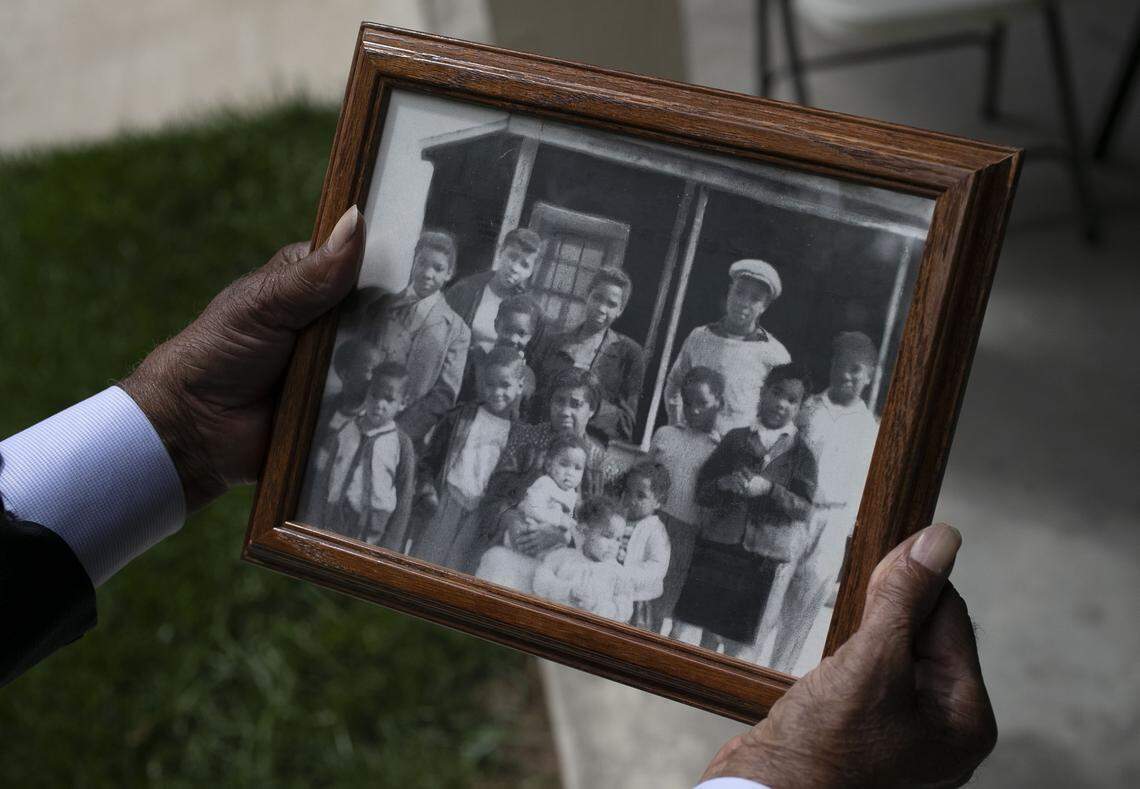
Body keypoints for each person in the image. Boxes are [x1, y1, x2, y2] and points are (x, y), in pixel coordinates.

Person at [2, 207, 997, 788]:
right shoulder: (530, 342)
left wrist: (173, 425)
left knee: (714, 584)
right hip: (549, 476)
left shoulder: (761, 372)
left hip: (723, 503)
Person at [673, 363, 817, 660]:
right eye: (776, 393)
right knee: (691, 630)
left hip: (760, 558)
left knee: (737, 644)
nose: (781, 403)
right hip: (717, 547)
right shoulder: (736, 439)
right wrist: (725, 483)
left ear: (800, 408)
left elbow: (804, 508)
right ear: (762, 392)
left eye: (792, 400)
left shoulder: (801, 453)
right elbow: (703, 490)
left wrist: (770, 490)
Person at [769, 331, 881, 673]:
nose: (848, 375)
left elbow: (867, 485)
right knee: (768, 601)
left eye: (857, 370)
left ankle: (777, 676)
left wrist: (851, 535)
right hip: (790, 512)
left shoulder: (870, 427)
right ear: (832, 365)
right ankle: (744, 667)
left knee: (804, 607)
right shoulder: (808, 410)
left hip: (834, 521)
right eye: (843, 365)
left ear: (870, 376)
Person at [408, 346, 527, 569]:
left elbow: (512, 483)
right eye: (490, 384)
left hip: (480, 512)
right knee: (425, 561)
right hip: (448, 499)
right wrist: (427, 489)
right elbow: (430, 458)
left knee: (458, 568)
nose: (496, 392)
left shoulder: (519, 435)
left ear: (520, 386)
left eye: (505, 385)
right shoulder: (461, 417)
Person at [362, 229, 470, 443]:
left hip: (405, 433)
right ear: (414, 262)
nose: (427, 273)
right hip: (363, 415)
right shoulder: (381, 306)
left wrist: (399, 433)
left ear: (450, 273)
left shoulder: (457, 331)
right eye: (422, 263)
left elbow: (444, 394)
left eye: (438, 268)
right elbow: (361, 361)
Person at [664, 259, 791, 434]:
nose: (743, 302)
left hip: (734, 454)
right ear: (729, 291)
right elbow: (675, 383)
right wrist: (677, 424)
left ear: (764, 306)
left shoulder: (774, 354)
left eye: (755, 298)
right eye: (739, 292)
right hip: (691, 443)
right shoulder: (700, 337)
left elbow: (781, 412)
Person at [303, 362, 415, 549]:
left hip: (373, 531)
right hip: (335, 518)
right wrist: (313, 523)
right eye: (374, 395)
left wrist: (391, 546)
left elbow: (404, 499)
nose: (379, 404)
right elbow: (323, 480)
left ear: (403, 402)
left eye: (389, 399)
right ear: (367, 391)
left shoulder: (402, 445)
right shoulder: (345, 431)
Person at [531, 267, 646, 443]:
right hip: (543, 439)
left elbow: (626, 424)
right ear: (587, 296)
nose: (601, 308)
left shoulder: (629, 355)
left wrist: (590, 405)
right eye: (597, 298)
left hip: (588, 449)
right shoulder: (553, 344)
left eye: (611, 304)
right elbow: (533, 400)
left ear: (620, 310)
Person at [648, 366, 724, 635]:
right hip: (655, 522)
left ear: (719, 403)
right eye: (688, 402)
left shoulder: (719, 448)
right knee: (646, 595)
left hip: (687, 532)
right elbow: (645, 473)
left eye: (702, 403)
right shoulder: (665, 434)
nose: (694, 410)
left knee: (671, 600)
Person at [475, 436, 587, 591]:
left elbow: (578, 529)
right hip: (526, 529)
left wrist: (565, 531)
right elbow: (532, 508)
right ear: (548, 465)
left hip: (547, 548)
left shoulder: (572, 495)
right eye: (563, 465)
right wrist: (559, 521)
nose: (570, 473)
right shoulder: (545, 483)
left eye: (577, 468)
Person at [532, 496, 635, 623]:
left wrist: (597, 607)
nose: (613, 545)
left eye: (618, 540)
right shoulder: (563, 556)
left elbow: (624, 609)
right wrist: (567, 591)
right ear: (584, 530)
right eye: (608, 536)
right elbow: (540, 581)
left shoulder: (618, 573)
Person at [444, 227, 545, 354]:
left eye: (524, 265)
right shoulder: (465, 289)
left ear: (531, 272)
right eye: (512, 257)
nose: (515, 268)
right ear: (500, 252)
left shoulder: (531, 312)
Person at [455, 293, 542, 416]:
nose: (513, 339)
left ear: (531, 335)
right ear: (496, 325)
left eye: (521, 333)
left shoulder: (529, 374)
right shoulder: (475, 360)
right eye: (507, 330)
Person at [617, 461, 672, 630]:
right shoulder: (617, 520)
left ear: (658, 501)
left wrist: (627, 576)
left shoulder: (655, 530)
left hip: (637, 599)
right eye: (628, 492)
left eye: (641, 496)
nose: (632, 500)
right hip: (611, 591)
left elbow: (657, 567)